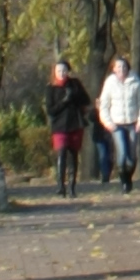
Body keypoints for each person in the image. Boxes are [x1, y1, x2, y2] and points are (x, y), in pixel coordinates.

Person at [97, 51, 140, 189]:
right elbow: (104, 105)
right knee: (122, 152)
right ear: (114, 69)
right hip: (116, 124)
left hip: (132, 123)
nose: (121, 70)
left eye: (124, 67)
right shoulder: (109, 83)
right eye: (118, 67)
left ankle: (129, 176)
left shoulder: (135, 82)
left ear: (128, 68)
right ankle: (124, 181)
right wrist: (108, 123)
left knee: (132, 155)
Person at [46, 55, 91, 197]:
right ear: (54, 72)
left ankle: (72, 186)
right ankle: (60, 186)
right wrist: (65, 101)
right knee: (62, 152)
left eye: (64, 70)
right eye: (59, 70)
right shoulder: (51, 88)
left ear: (68, 71)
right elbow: (51, 110)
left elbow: (86, 100)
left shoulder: (75, 84)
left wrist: (74, 96)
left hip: (75, 123)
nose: (62, 73)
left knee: (73, 155)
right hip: (59, 125)